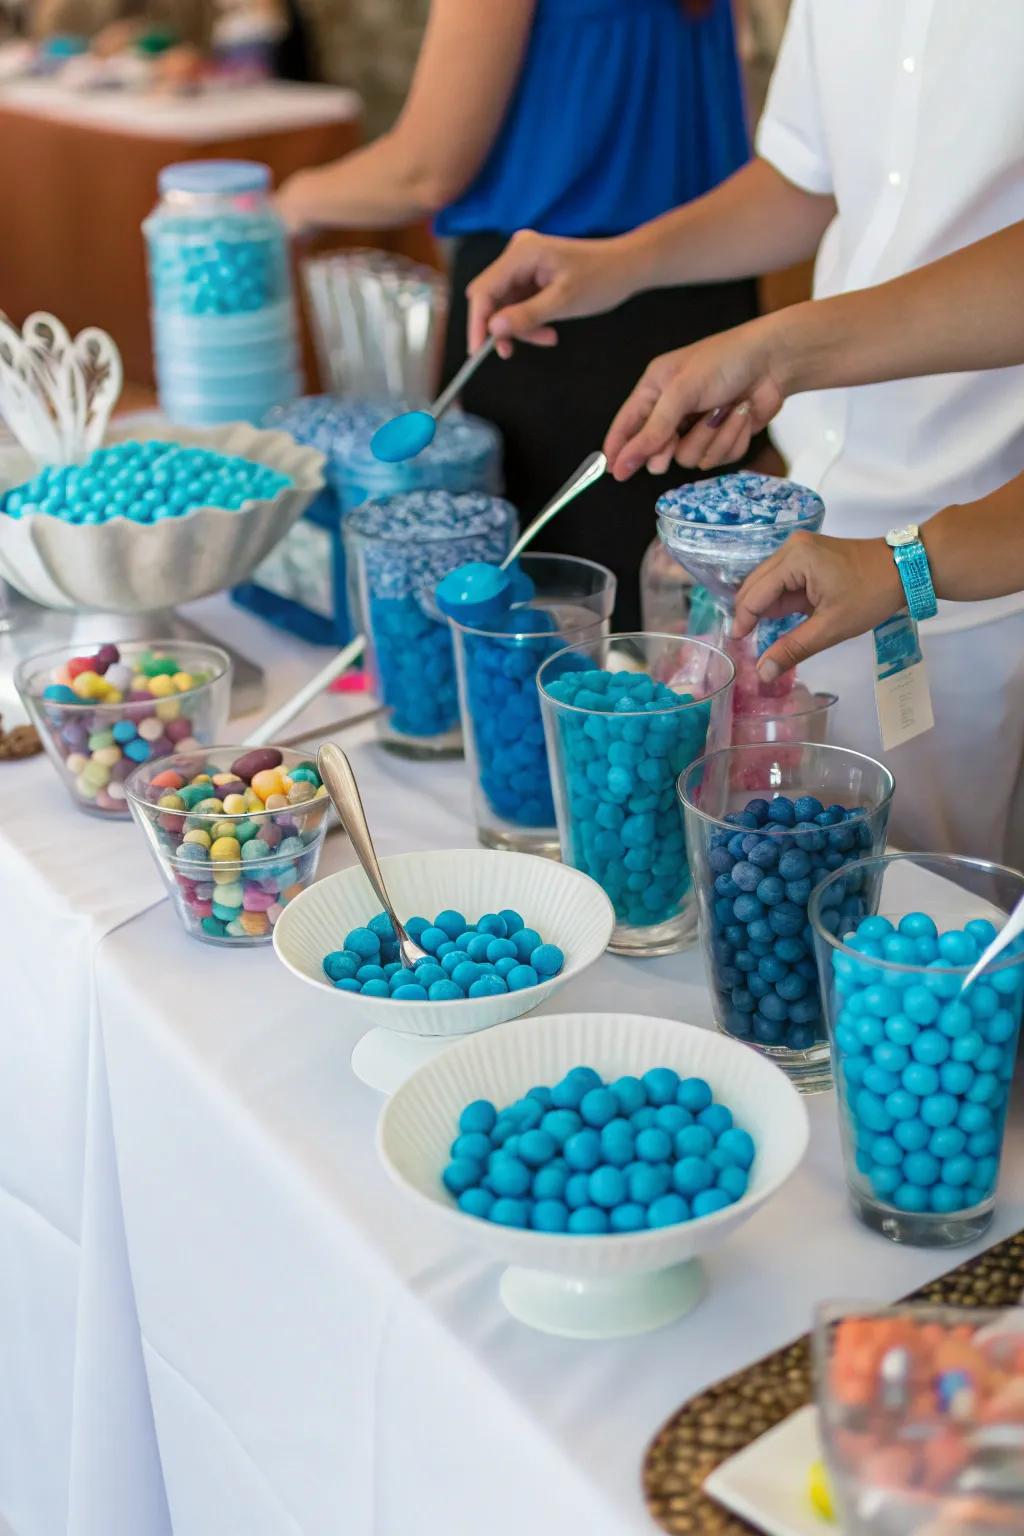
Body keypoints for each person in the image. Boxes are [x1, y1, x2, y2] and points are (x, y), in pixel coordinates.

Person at [466, 1, 1024, 866]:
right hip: (812, 535)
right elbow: (808, 177)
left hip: (982, 553)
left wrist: (782, 349)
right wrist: (620, 263)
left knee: (923, 932)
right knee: (766, 888)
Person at [277, 0, 765, 627]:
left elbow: (425, 170)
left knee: (560, 650)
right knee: (684, 649)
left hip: (552, 324)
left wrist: (289, 201)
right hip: (702, 288)